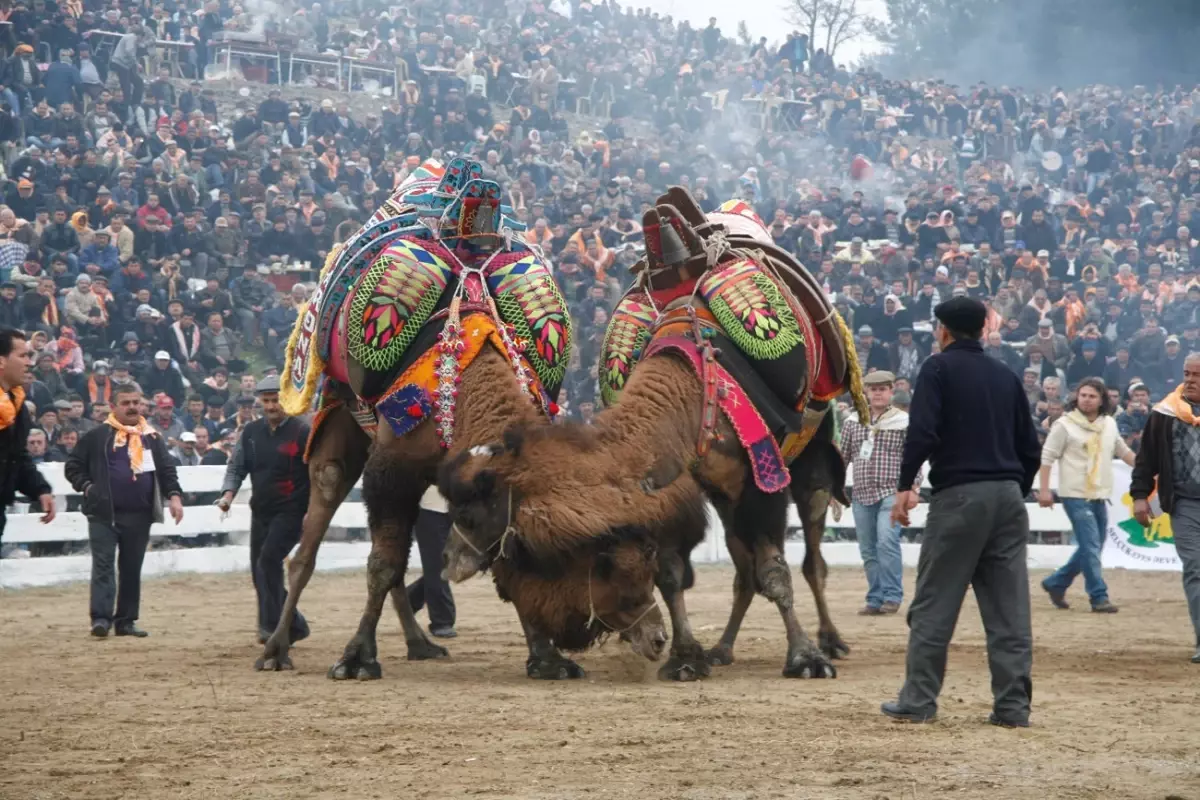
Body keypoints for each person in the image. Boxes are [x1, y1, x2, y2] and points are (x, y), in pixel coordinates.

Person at [883, 297, 1041, 727]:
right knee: (1009, 611)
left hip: (960, 497)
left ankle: (918, 701)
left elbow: (923, 432)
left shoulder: (937, 369)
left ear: (944, 331)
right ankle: (1012, 707)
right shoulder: (1006, 375)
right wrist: (1012, 488)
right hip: (1008, 497)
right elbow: (1030, 446)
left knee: (935, 603)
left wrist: (904, 485)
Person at [65, 383, 184, 637]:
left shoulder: (152, 437)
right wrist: (87, 486)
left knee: (131, 568)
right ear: (113, 406)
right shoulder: (97, 436)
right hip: (103, 513)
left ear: (141, 404)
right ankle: (101, 619)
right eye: (125, 403)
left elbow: (166, 470)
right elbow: (73, 466)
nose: (132, 407)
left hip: (139, 514)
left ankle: (126, 621)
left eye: (135, 402)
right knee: (104, 566)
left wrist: (174, 496)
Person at [217, 375, 311, 644]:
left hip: (292, 510)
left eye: (276, 400)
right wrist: (228, 495)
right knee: (259, 572)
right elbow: (237, 466)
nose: (271, 406)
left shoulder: (302, 432)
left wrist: (312, 512)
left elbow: (316, 474)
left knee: (268, 562)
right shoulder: (251, 432)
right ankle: (294, 624)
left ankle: (271, 628)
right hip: (261, 510)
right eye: (266, 400)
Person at [1038, 377, 1135, 613]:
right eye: (1083, 395)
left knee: (1093, 546)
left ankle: (1056, 582)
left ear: (1101, 400)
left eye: (1092, 396)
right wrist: (1043, 489)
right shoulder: (1064, 425)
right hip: (1074, 493)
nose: (1087, 400)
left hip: (1098, 493)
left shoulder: (1109, 424)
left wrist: (1148, 470)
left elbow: (1123, 451)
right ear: (1076, 398)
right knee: (1091, 546)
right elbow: (1047, 457)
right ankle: (1098, 596)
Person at [1129, 353, 1200, 664]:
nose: (1190, 380)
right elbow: (1147, 458)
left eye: (1197, 375)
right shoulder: (1165, 412)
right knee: (1197, 568)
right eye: (1187, 373)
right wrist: (1140, 495)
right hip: (1185, 503)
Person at [838, 370, 914, 615]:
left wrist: (911, 488)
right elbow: (844, 456)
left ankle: (892, 595)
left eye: (883, 389)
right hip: (862, 492)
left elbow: (913, 458)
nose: (878, 393)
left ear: (891, 392)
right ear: (866, 393)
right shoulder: (853, 422)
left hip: (891, 490)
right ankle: (875, 597)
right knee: (868, 548)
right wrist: (835, 486)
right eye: (874, 389)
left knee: (886, 541)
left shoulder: (903, 422)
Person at [0, 327, 55, 550]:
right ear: (2, 361)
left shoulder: (17, 402)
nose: (29, 363)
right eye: (22, 356)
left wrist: (40, 489)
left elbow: (16, 456)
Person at [404, 487, 458, 639]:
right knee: (436, 565)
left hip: (461, 504)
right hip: (431, 508)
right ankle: (442, 621)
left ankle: (410, 599)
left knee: (452, 564)